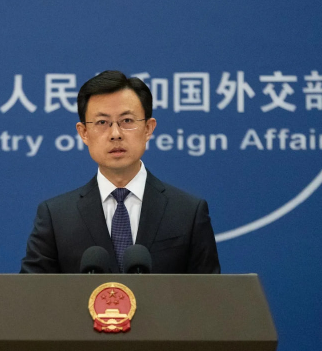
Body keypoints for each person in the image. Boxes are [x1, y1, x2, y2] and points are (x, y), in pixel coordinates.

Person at [20, 70, 220, 273]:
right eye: (102, 123)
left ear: (148, 128)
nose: (115, 134)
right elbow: (32, 291)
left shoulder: (188, 212)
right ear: (84, 133)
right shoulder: (56, 217)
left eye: (127, 121)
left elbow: (209, 291)